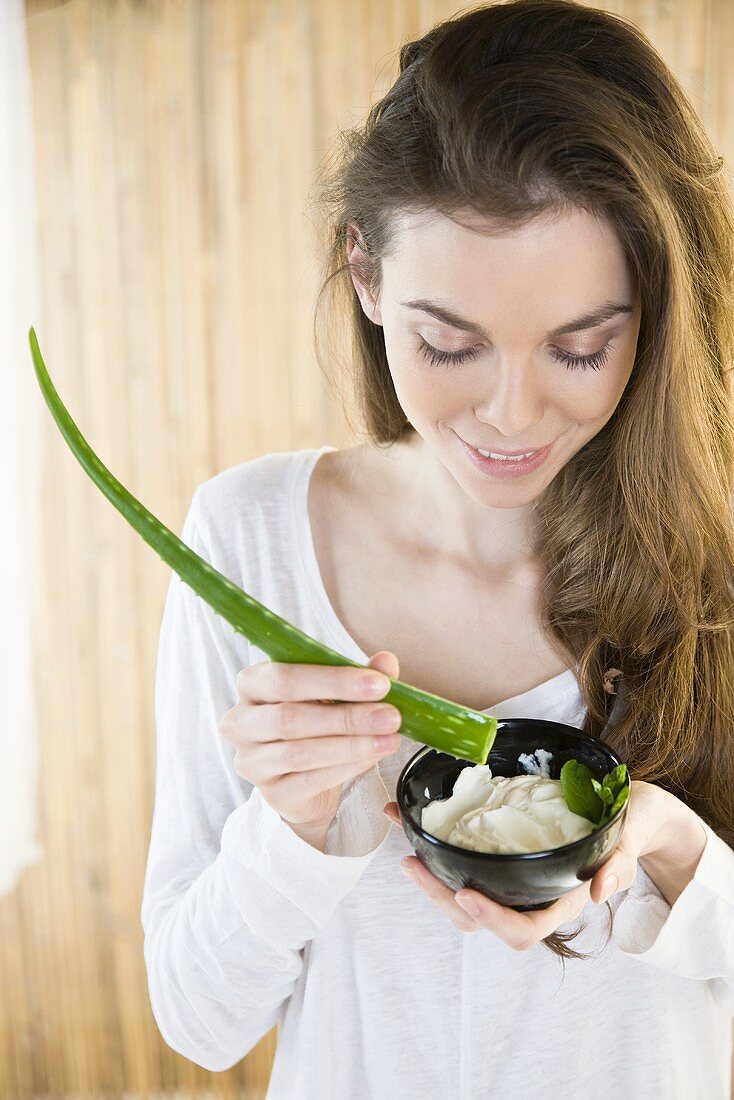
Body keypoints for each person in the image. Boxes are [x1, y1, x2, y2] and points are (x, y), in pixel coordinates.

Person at [141, 1, 734, 1095]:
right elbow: (197, 1018)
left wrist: (672, 855)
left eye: (578, 345)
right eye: (447, 342)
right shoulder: (249, 540)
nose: (509, 414)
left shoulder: (717, 552)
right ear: (363, 274)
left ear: (650, 314)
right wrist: (294, 830)